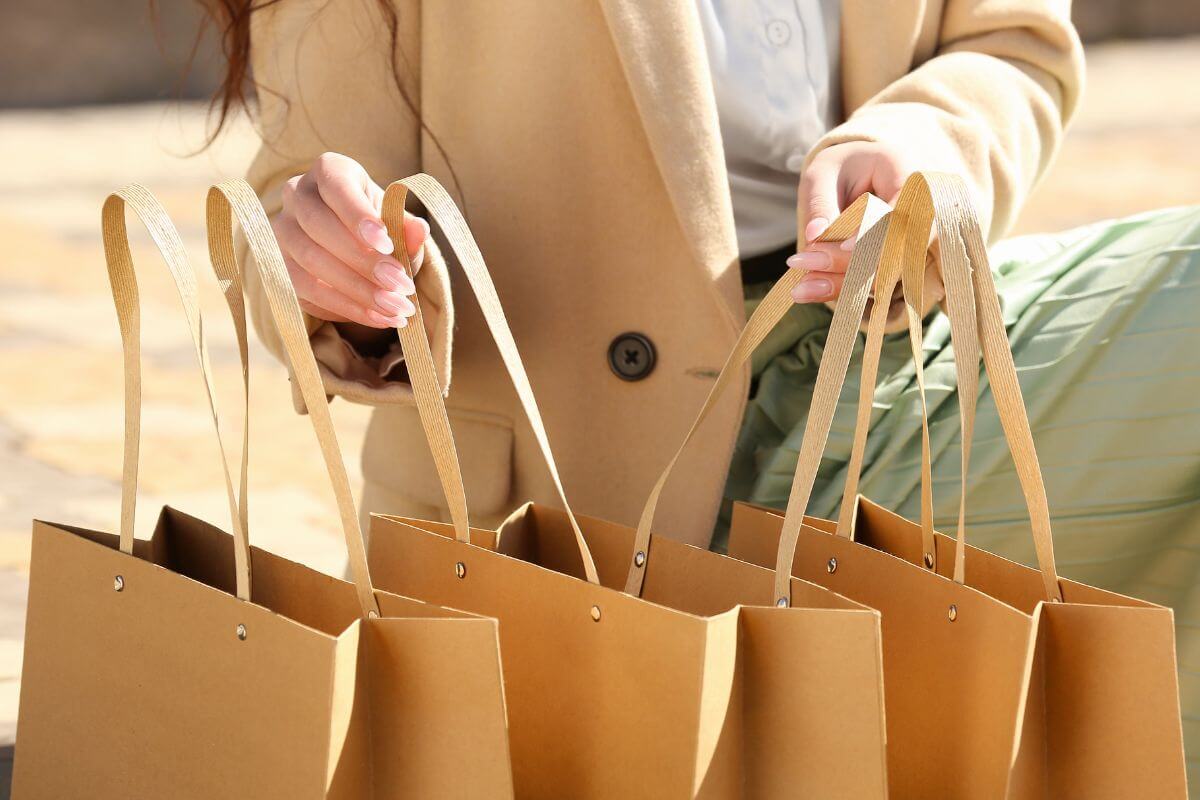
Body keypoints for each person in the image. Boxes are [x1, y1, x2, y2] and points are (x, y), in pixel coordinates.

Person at [201, 1, 1198, 785]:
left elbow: (1008, 40)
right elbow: (303, 193)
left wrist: (924, 146)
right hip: (587, 497)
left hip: (883, 337)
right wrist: (343, 273)